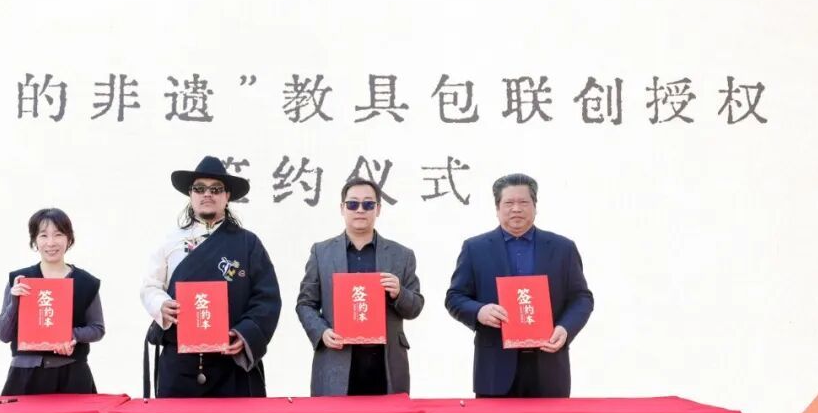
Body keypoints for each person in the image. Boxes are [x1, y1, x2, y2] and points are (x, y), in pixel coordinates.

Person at [140, 156, 281, 397]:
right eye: (199, 188)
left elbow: (267, 298)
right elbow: (150, 286)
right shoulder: (170, 241)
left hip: (231, 362)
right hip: (179, 362)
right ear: (190, 194)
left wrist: (245, 334)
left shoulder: (248, 243)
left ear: (227, 196)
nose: (207, 194)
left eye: (216, 189)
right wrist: (161, 305)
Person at [445, 173, 593, 397]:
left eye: (523, 202)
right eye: (509, 203)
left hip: (549, 364)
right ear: (497, 208)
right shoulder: (475, 248)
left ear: (535, 206)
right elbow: (455, 297)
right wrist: (479, 311)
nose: (516, 209)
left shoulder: (563, 248)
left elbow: (581, 298)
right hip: (495, 368)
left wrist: (565, 328)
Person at [296, 178, 424, 396]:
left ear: (378, 209)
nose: (360, 210)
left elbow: (415, 307)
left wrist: (399, 293)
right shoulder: (321, 252)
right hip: (336, 359)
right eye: (353, 204)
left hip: (386, 362)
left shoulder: (401, 255)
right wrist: (322, 332)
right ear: (342, 208)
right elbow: (305, 304)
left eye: (368, 204)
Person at [0, 208, 105, 394]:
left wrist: (69, 335)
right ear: (35, 240)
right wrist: (14, 302)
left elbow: (97, 329)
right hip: (25, 375)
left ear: (69, 239)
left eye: (58, 234)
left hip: (72, 374)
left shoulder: (86, 282)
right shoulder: (21, 280)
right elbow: (3, 334)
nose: (51, 242)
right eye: (43, 235)